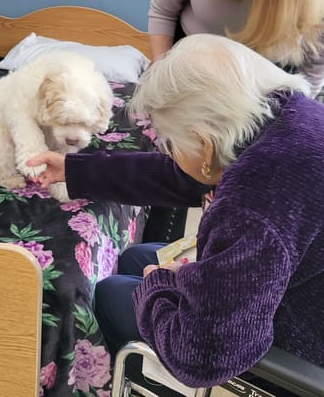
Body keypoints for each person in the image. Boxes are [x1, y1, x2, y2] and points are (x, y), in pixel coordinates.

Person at [27, 34, 324, 395]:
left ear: (204, 143)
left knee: (111, 291)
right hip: (294, 287)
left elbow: (204, 357)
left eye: (170, 144)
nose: (169, 153)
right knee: (136, 256)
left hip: (301, 353)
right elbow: (187, 174)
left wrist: (156, 286)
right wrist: (75, 170)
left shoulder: (253, 202)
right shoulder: (287, 114)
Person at [148, 0, 324, 99]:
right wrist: (161, 70)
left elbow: (313, 74)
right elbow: (162, 10)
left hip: (262, 86)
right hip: (183, 61)